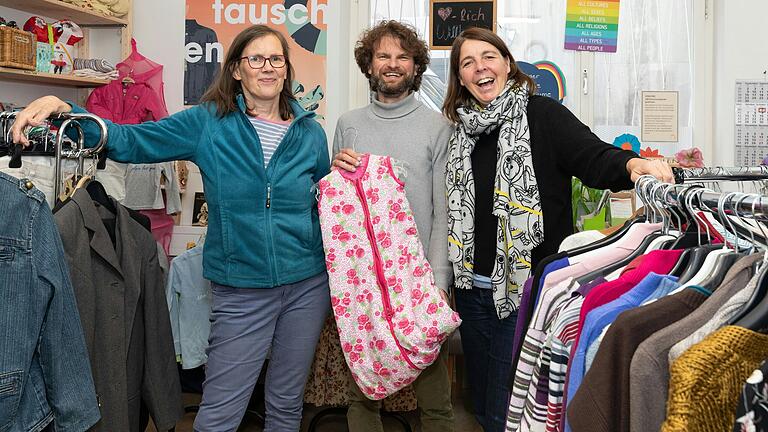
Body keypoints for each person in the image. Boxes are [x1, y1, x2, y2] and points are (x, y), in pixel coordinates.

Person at [12, 24, 331, 432]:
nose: (267, 68)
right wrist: (70, 115)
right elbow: (133, 140)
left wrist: (345, 175)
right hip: (242, 288)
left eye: (276, 59)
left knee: (286, 406)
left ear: (286, 69)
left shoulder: (310, 133)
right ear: (236, 69)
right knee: (219, 414)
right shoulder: (208, 124)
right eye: (256, 59)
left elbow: (324, 204)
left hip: (306, 285)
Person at [440, 27, 673, 432]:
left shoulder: (542, 116)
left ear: (507, 65)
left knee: (508, 408)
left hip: (528, 289)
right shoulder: (460, 133)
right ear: (460, 79)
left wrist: (632, 166)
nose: (480, 68)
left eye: (489, 56)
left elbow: (592, 155)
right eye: (468, 62)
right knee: (481, 401)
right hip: (472, 291)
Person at [332, 20, 456, 432]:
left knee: (435, 398)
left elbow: (443, 212)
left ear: (416, 66)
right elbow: (339, 207)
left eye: (403, 56)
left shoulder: (439, 128)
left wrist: (439, 280)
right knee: (364, 394)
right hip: (364, 283)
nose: (392, 63)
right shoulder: (349, 124)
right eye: (383, 55)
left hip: (417, 281)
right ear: (368, 64)